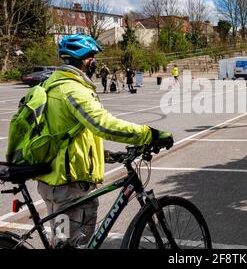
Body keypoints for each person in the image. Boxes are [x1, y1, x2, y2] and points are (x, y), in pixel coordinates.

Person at [36, 34, 174, 247]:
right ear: (87, 60)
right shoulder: (73, 89)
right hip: (68, 187)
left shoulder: (51, 85)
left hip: (53, 183)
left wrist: (107, 155)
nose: (95, 63)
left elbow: (67, 137)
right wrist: (150, 134)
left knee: (62, 242)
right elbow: (103, 124)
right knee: (76, 243)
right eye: (93, 58)